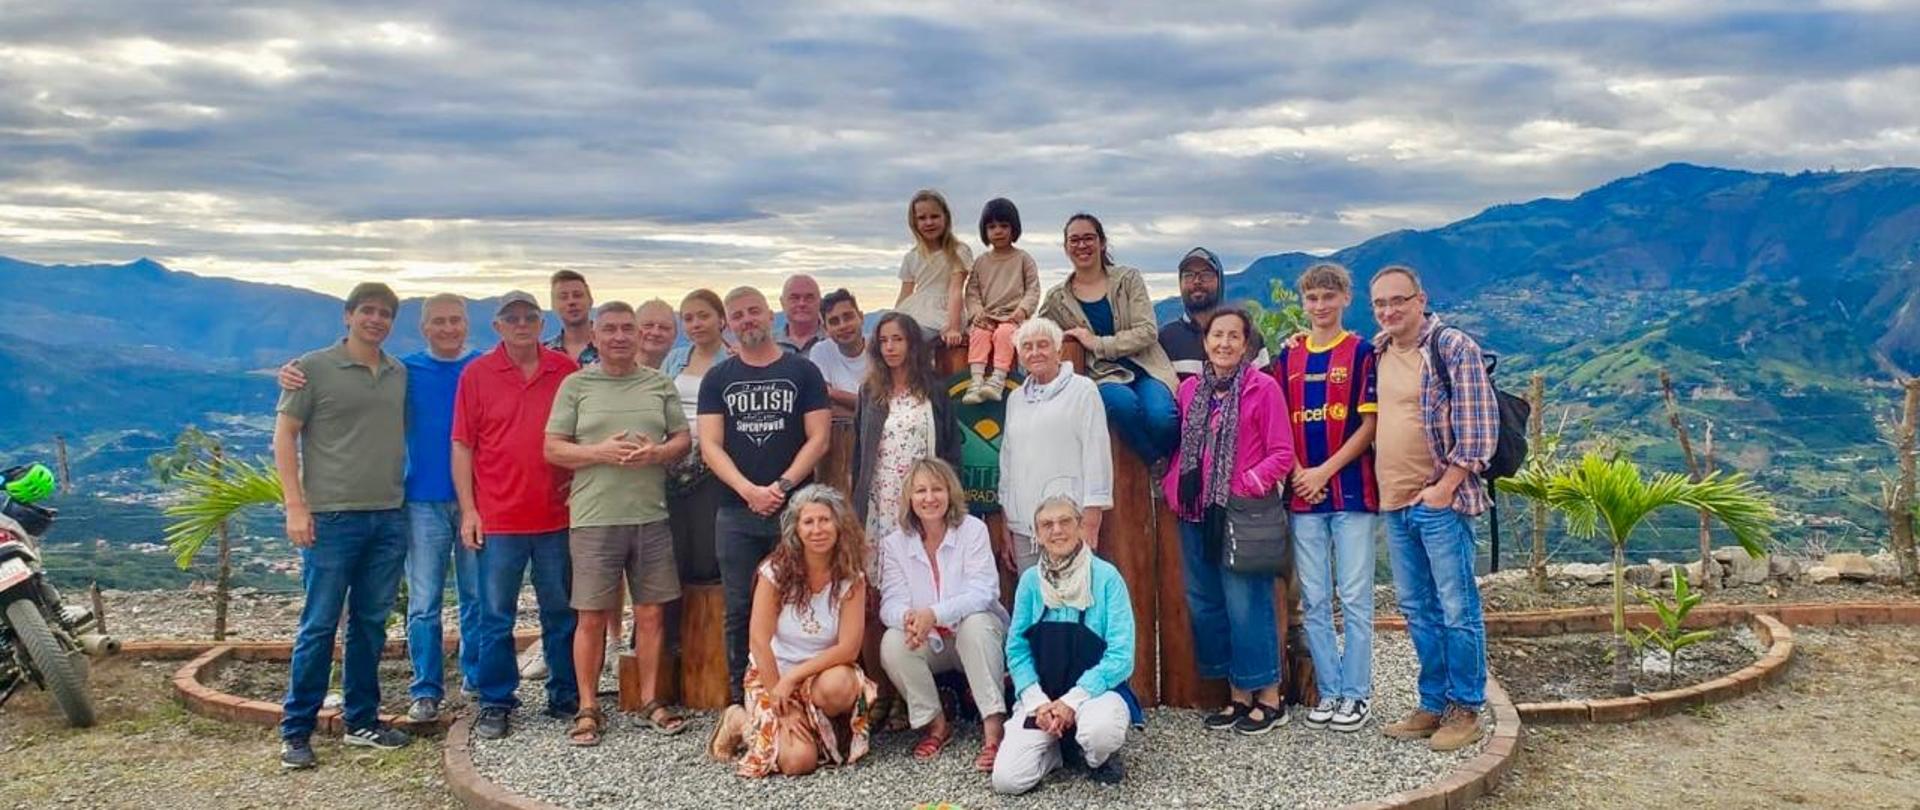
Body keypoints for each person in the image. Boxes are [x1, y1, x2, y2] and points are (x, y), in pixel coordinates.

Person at [274, 293, 483, 723]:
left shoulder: (459, 368)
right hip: (409, 503)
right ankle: (420, 691)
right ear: (424, 327)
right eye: (438, 321)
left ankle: (470, 684)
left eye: (455, 321)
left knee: (464, 602)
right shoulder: (397, 369)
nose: (448, 328)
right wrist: (291, 372)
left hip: (454, 503)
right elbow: (294, 424)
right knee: (415, 604)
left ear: (467, 324)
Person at [273, 282, 413, 769]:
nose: (376, 320)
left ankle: (362, 722)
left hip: (389, 515)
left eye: (385, 314)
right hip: (331, 518)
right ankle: (296, 729)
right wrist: (296, 505)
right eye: (367, 312)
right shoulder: (311, 369)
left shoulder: (398, 372)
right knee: (318, 625)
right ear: (348, 316)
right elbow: (285, 436)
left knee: (370, 625)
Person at [544, 301, 692, 745]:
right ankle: (588, 707)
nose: (620, 336)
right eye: (610, 329)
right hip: (593, 516)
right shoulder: (576, 385)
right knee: (590, 616)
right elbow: (552, 448)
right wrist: (597, 453)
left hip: (650, 513)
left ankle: (650, 700)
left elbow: (681, 439)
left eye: (627, 328)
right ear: (594, 335)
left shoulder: (659, 383)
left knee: (650, 613)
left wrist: (659, 454)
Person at [1370, 265, 1497, 752]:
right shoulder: (1379, 351)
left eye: (1398, 300)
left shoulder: (1451, 348)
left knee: (1457, 607)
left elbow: (1480, 432)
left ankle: (1465, 708)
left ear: (1421, 299)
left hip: (1438, 502)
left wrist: (1445, 486)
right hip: (1394, 504)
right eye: (1381, 303)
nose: (1389, 311)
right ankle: (1432, 703)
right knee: (1418, 611)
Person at [1160, 308, 1294, 736]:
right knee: (1206, 604)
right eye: (1217, 335)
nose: (1223, 344)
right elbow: (1185, 447)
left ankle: (1269, 697)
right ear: (1206, 342)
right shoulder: (1191, 392)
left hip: (1242, 515)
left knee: (1246, 603)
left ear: (1246, 344)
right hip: (1195, 513)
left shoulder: (1263, 388)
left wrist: (1248, 483)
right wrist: (1171, 484)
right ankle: (1238, 695)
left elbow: (1281, 454)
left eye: (1233, 336)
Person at [454, 291, 581, 740]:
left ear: (540, 322)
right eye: (513, 318)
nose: (522, 324)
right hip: (499, 518)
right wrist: (469, 510)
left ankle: (565, 695)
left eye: (530, 317)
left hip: (557, 515)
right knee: (495, 616)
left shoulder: (564, 369)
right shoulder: (477, 374)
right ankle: (496, 701)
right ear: (499, 326)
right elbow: (463, 444)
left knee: (561, 612)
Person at [698, 286, 833, 705]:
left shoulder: (803, 372)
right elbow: (710, 445)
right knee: (739, 607)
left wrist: (782, 487)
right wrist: (748, 490)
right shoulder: (718, 378)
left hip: (795, 512)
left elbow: (819, 437)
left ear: (770, 314)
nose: (746, 320)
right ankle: (743, 697)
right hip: (736, 511)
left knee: (803, 601)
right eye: (737, 315)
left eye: (753, 311)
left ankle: (803, 690)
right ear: (728, 324)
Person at [1273, 262, 1381, 733]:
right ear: (1304, 302)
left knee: (1355, 597)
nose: (1320, 306)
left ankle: (1356, 694)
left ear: (1344, 300)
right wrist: (1300, 473)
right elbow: (1279, 424)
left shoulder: (1361, 354)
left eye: (1328, 297)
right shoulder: (1288, 358)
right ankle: (1330, 690)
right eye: (1312, 298)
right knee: (1314, 599)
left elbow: (1369, 424)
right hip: (1303, 497)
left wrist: (1323, 471)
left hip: (1352, 491)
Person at [707, 485, 878, 777]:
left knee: (841, 684)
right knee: (799, 762)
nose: (817, 529)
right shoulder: (774, 571)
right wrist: (779, 693)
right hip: (772, 673)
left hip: (820, 676)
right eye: (808, 522)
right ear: (795, 529)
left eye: (825, 520)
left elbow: (848, 648)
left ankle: (818, 730)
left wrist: (796, 678)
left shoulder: (852, 577)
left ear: (839, 525)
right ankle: (741, 721)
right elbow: (759, 642)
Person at [992, 494, 1136, 794]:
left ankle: (1096, 757)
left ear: (1080, 526)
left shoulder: (1107, 578)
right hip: (1043, 699)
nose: (1056, 530)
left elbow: (1121, 655)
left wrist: (1071, 701)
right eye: (1047, 525)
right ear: (1038, 535)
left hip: (1096, 695)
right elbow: (1017, 648)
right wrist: (1037, 702)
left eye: (1065, 521)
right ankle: (1057, 751)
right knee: (1007, 780)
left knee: (1100, 731)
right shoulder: (1030, 582)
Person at [877, 458, 1009, 771]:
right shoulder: (894, 543)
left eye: (937, 489)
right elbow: (890, 603)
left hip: (976, 636)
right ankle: (935, 725)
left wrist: (933, 614)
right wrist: (909, 618)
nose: (929, 497)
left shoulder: (972, 530)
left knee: (976, 625)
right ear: (909, 498)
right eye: (920, 490)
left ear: (950, 493)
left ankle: (994, 731)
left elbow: (985, 591)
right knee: (892, 643)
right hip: (930, 640)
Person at [1038, 213, 1180, 464]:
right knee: (1122, 404)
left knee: (1162, 418)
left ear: (1102, 243)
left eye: (1089, 238)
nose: (1082, 245)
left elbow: (1147, 331)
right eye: (1075, 240)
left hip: (1147, 368)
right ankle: (1155, 463)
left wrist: (1096, 343)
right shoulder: (1057, 298)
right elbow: (1039, 333)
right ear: (1066, 247)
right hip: (1104, 375)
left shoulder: (1128, 279)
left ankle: (1171, 464)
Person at [998, 317, 1112, 570]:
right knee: (1034, 603)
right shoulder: (1016, 398)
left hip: (1068, 523)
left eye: (1043, 345)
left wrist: (1091, 518)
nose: (1035, 352)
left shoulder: (1083, 390)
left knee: (1072, 599)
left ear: (1059, 350)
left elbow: (1097, 454)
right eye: (1027, 346)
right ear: (1019, 353)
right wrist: (1008, 519)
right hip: (1024, 527)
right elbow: (1008, 460)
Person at [851, 312, 961, 545]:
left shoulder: (934, 389)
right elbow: (860, 451)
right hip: (881, 494)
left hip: (923, 494)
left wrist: (951, 494)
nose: (890, 347)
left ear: (912, 344)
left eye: (897, 339)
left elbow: (950, 446)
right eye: (883, 341)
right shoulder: (870, 391)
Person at [663, 289, 732, 584]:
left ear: (721, 320)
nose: (696, 324)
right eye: (688, 318)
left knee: (706, 553)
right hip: (673, 463)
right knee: (675, 552)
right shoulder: (675, 358)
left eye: (703, 316)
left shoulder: (732, 360)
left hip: (713, 465)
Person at [962, 197, 1040, 404]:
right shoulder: (981, 262)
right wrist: (976, 312)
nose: (998, 231)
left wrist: (1023, 310)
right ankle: (976, 380)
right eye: (992, 226)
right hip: (987, 317)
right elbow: (972, 291)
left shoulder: (1023, 259)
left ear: (1014, 228)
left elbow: (1033, 288)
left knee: (1005, 334)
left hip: (1012, 319)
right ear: (984, 231)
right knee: (978, 334)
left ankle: (998, 378)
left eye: (1004, 225)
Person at [1158, 246, 1269, 380]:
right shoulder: (1166, 339)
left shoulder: (1247, 336)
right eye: (1188, 275)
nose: (1197, 281)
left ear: (1220, 281)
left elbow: (1266, 391)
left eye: (1205, 275)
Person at [894, 189, 975, 347]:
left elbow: (955, 289)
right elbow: (905, 294)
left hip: (944, 311)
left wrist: (953, 327)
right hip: (916, 307)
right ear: (914, 223)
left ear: (945, 217)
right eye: (922, 218)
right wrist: (892, 320)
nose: (929, 222)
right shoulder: (912, 256)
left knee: (914, 335)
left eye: (935, 216)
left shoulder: (958, 251)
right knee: (887, 334)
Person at [806, 288, 869, 421]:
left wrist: (833, 394)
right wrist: (870, 410)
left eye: (848, 317)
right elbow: (823, 406)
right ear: (825, 329)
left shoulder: (880, 348)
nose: (843, 326)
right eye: (834, 321)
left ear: (861, 318)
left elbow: (889, 405)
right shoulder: (821, 351)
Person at [546, 270, 599, 365]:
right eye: (563, 297)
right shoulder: (544, 354)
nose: (571, 302)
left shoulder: (611, 348)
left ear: (590, 301)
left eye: (577, 295)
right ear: (553, 306)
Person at [778, 274, 825, 354]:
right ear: (782, 303)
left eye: (809, 298)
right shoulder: (767, 347)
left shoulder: (836, 342)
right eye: (794, 298)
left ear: (820, 302)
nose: (802, 304)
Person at [636, 298, 679, 369]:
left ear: (675, 334)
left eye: (664, 327)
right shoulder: (615, 369)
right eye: (648, 325)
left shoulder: (682, 373)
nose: (656, 333)